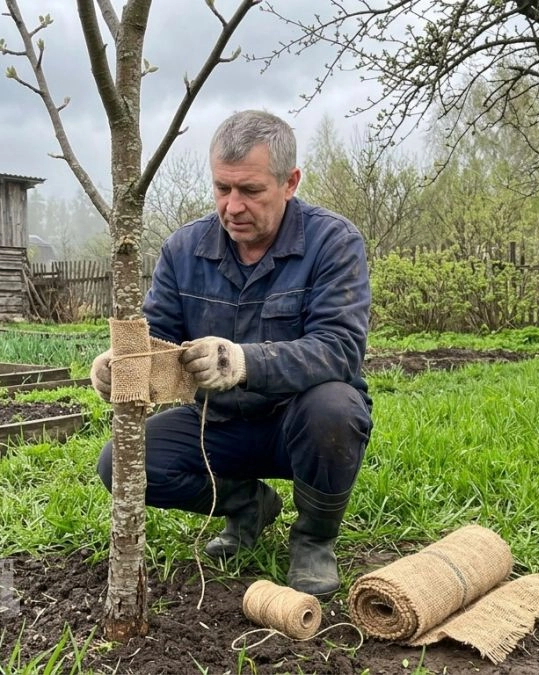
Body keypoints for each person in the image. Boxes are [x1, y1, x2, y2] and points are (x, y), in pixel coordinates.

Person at [90, 110, 373, 597]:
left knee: (336, 407)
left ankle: (313, 539)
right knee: (119, 464)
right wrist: (120, 365)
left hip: (297, 425)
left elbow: (340, 349)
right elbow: (158, 334)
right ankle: (249, 506)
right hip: (217, 426)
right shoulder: (185, 249)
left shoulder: (333, 242)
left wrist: (244, 362)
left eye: (251, 191)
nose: (233, 206)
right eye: (223, 188)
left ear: (290, 182)